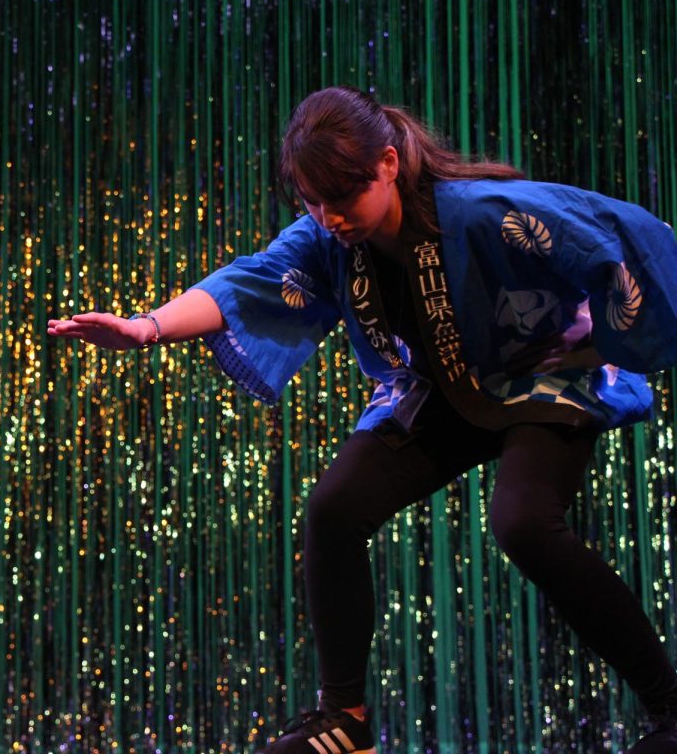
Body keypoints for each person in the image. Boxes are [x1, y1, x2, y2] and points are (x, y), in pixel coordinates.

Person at [48, 86, 677, 753]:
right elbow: (251, 281)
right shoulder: (327, 238)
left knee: (523, 522)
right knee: (334, 508)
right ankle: (345, 719)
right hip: (441, 391)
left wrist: (601, 336)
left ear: (385, 164)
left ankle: (669, 705)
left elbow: (625, 238)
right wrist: (145, 328)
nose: (329, 217)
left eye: (340, 199)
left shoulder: (483, 212)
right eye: (312, 203)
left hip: (541, 380)